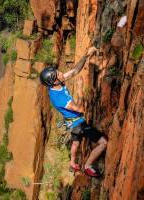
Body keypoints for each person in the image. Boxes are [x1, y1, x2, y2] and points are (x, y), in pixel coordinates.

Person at [39, 47, 107, 177]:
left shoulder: (56, 84)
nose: (61, 73)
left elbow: (75, 70)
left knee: (76, 142)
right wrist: (81, 90)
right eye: (58, 74)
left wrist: (86, 56)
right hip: (79, 124)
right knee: (103, 142)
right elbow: (81, 109)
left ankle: (72, 163)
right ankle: (88, 165)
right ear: (54, 81)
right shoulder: (60, 98)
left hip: (71, 123)